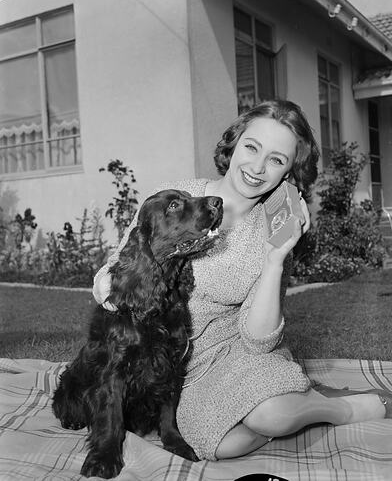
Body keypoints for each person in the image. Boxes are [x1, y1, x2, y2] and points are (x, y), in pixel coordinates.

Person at [93, 99, 391, 461]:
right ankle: (299, 397)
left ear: (286, 173)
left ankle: (333, 409)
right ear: (234, 143)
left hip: (232, 354)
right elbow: (118, 264)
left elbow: (258, 340)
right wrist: (112, 290)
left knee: (271, 416)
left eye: (277, 160)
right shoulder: (177, 194)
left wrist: (276, 258)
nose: (258, 167)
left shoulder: (273, 229)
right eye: (252, 147)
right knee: (224, 446)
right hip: (173, 368)